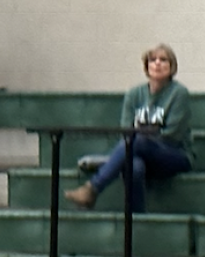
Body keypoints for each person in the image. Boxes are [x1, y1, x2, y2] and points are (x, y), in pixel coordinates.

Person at [65, 43, 195, 212]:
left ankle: (94, 186)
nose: (157, 63)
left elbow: (172, 135)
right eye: (152, 60)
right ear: (146, 66)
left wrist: (141, 142)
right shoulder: (134, 94)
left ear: (172, 67)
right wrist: (138, 144)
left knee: (137, 142)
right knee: (134, 165)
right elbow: (126, 130)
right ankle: (137, 221)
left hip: (175, 154)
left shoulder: (179, 93)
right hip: (138, 150)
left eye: (163, 60)